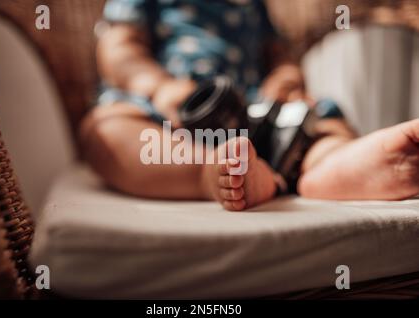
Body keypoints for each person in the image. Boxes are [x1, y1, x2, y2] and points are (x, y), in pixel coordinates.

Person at [80, 0, 419, 211]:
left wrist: (285, 78)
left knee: (318, 122)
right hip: (174, 122)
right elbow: (118, 47)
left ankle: (334, 163)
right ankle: (208, 174)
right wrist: (157, 86)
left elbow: (279, 54)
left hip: (255, 113)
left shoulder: (251, 4)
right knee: (106, 130)